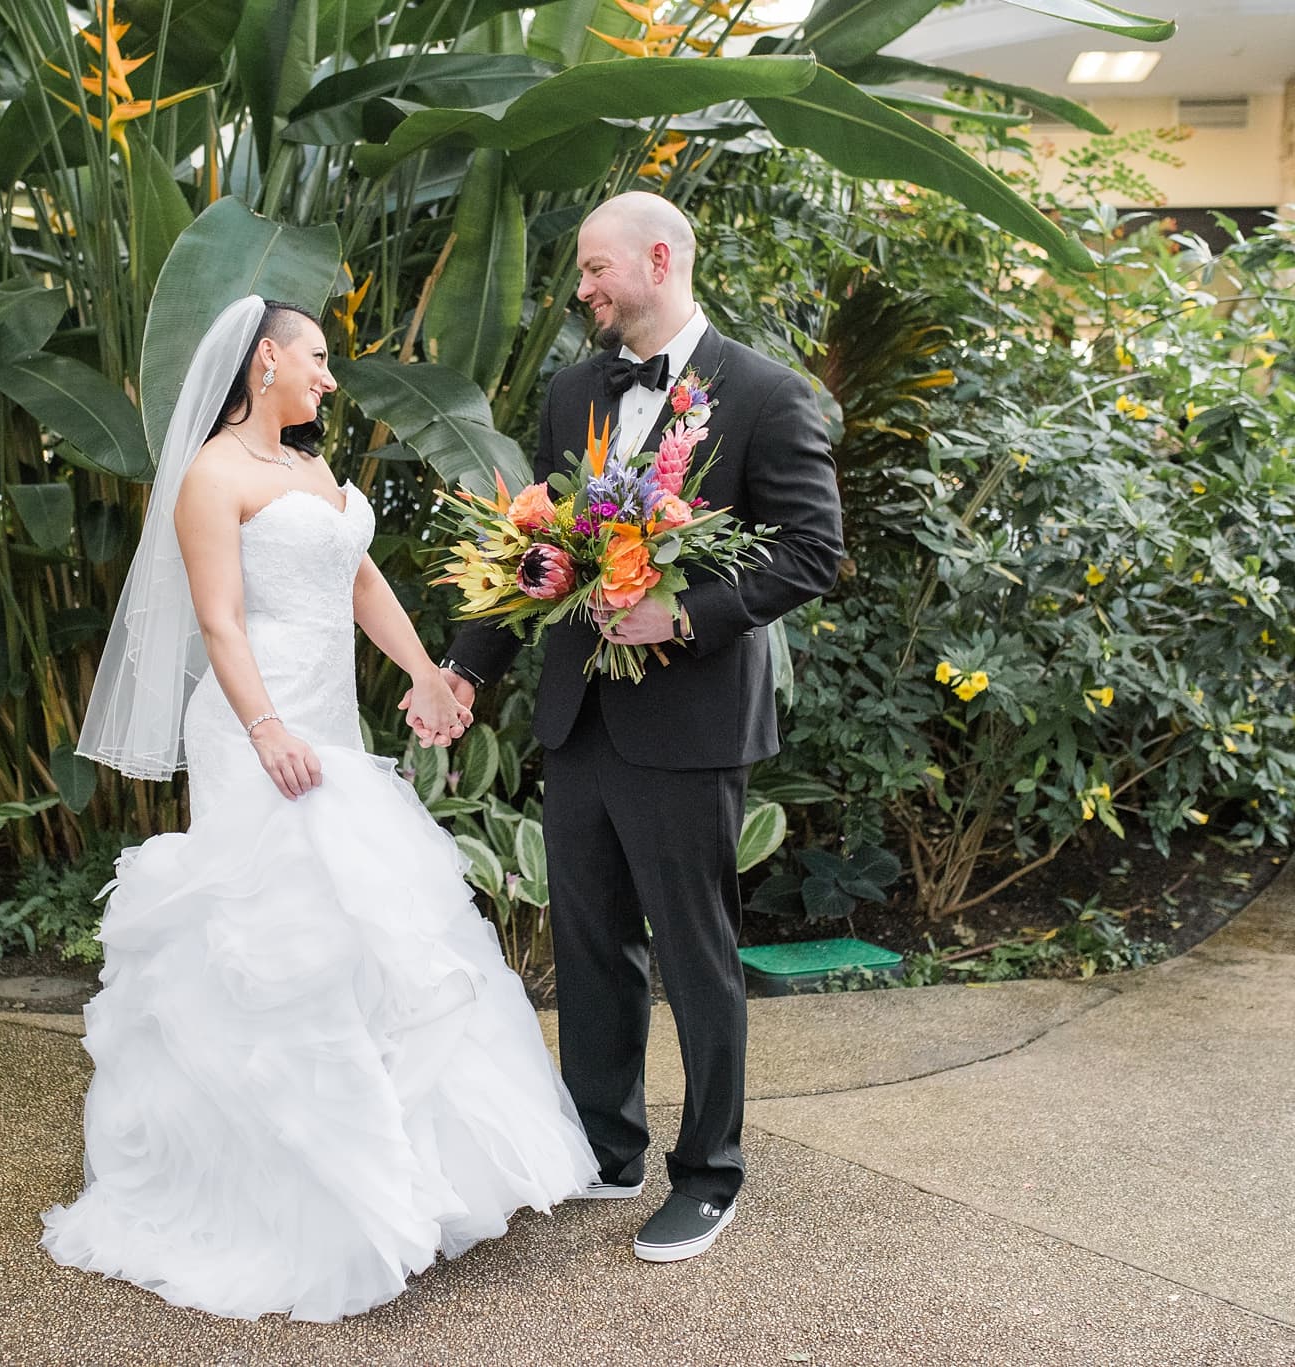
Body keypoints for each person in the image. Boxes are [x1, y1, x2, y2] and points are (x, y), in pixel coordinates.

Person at [43, 296, 598, 1323]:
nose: (330, 378)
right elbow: (216, 618)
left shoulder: (306, 469)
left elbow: (358, 578)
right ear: (265, 359)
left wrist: (429, 673)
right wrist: (262, 728)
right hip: (259, 729)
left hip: (328, 726)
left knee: (356, 930)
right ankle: (285, 1194)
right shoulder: (211, 476)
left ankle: (395, 1173)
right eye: (317, 358)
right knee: (276, 936)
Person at [427, 192, 844, 1263]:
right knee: (588, 943)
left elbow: (809, 550)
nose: (582, 289)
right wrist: (466, 669)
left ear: (658, 260)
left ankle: (708, 1172)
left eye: (594, 269)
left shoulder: (764, 394)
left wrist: (685, 614)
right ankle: (603, 1149)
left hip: (691, 722)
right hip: (579, 716)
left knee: (695, 955)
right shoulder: (574, 393)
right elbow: (540, 555)